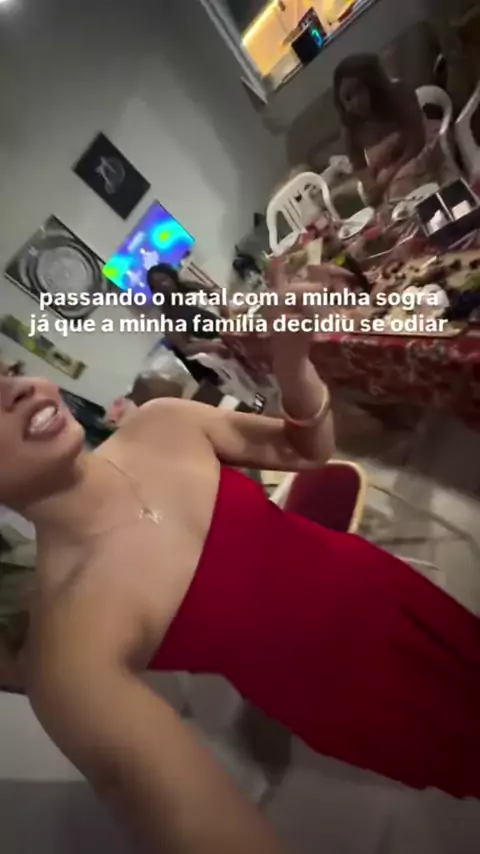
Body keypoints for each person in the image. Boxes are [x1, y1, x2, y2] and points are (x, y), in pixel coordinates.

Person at [1, 260, 480, 832]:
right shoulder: (69, 648)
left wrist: (291, 361)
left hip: (390, 593)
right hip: (357, 695)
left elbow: (303, 451)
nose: (19, 389)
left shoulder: (161, 423)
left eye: (9, 371)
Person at [334, 54, 445, 206]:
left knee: (398, 189)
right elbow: (359, 166)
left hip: (424, 147)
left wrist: (390, 176)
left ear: (372, 83)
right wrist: (371, 184)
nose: (356, 101)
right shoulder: (350, 127)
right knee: (382, 201)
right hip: (389, 166)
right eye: (348, 98)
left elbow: (417, 142)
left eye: (359, 90)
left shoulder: (399, 93)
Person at [146, 263, 228, 385]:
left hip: (229, 326)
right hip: (216, 343)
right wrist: (214, 346)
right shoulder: (169, 318)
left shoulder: (193, 288)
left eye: (164, 280)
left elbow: (217, 298)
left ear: (172, 277)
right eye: (156, 286)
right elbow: (185, 348)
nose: (162, 286)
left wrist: (228, 315)